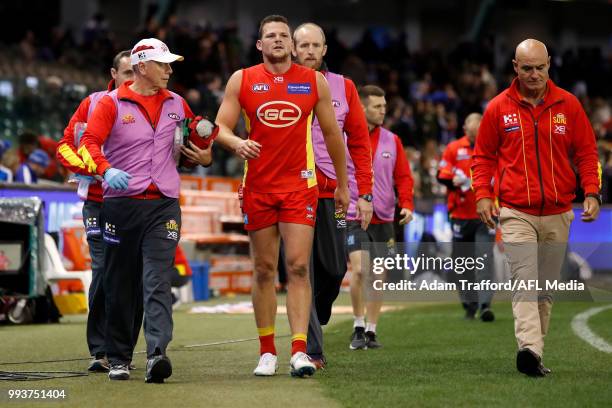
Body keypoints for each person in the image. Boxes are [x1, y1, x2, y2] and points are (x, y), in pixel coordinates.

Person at [214, 15, 349, 378]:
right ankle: (267, 351)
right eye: (269, 36)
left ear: (291, 44)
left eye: (283, 36)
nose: (277, 41)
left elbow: (334, 136)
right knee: (263, 270)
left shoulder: (312, 81)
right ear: (259, 45)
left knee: (299, 268)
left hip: (299, 187)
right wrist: (237, 142)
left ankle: (300, 350)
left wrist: (342, 184)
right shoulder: (242, 79)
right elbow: (220, 128)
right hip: (257, 187)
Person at [79, 38, 212, 383]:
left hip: (163, 205)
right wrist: (106, 170)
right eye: (163, 64)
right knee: (119, 280)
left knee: (157, 279)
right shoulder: (111, 102)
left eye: (170, 64)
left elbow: (194, 140)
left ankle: (157, 354)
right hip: (121, 205)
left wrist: (204, 138)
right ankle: (119, 357)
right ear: (141, 66)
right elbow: (88, 143)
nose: (169, 70)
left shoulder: (177, 103)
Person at [472, 39, 601, 377]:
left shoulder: (568, 105)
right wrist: (483, 194)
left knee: (545, 290)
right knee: (525, 282)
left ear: (549, 66)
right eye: (526, 68)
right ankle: (529, 347)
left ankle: (534, 355)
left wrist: (592, 191)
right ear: (515, 67)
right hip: (516, 212)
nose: (533, 74)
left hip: (559, 212)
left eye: (539, 68)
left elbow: (587, 153)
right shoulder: (498, 108)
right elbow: (482, 157)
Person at [292, 22, 373, 369]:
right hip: (294, 191)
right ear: (294, 50)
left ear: (325, 49)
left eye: (315, 45)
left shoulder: (345, 87)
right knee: (301, 269)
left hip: (334, 192)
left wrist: (364, 193)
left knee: (335, 266)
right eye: (303, 45)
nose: (309, 51)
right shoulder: (283, 86)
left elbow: (358, 141)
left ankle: (319, 313)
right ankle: (312, 349)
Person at [56, 50, 141, 373]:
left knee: (132, 274)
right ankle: (100, 348)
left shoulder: (156, 103)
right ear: (114, 74)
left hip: (136, 203)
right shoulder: (93, 104)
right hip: (98, 200)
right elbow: (65, 145)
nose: (132, 79)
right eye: (126, 73)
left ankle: (124, 349)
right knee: (104, 268)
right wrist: (97, 170)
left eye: (137, 72)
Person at [347, 85, 414, 350]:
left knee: (378, 275)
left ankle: (372, 331)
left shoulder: (392, 140)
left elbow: (404, 177)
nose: (383, 110)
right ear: (361, 108)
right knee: (360, 269)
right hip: (353, 213)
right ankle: (357, 325)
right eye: (377, 106)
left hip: (385, 217)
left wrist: (406, 204)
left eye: (384, 105)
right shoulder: (346, 136)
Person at [437, 113, 496, 322]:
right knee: (462, 262)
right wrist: (455, 182)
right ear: (466, 128)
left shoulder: (491, 148)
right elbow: (441, 175)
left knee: (484, 258)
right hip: (460, 215)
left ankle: (485, 304)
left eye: (481, 125)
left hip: (485, 214)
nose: (478, 128)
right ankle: (469, 303)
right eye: (474, 125)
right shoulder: (454, 148)